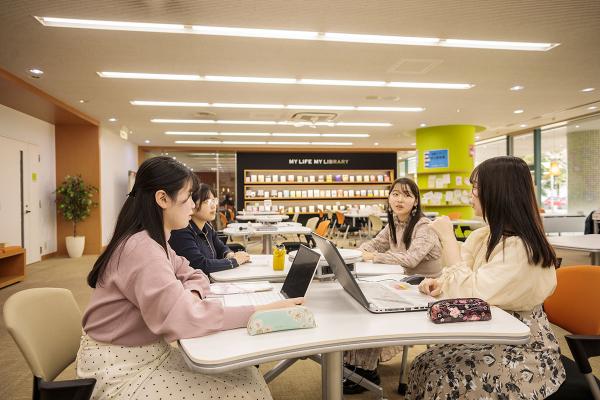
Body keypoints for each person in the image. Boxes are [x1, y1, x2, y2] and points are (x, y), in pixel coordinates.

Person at [77, 156, 303, 400]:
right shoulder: (143, 249)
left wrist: (190, 297)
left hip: (147, 352)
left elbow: (194, 274)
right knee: (245, 390)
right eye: (187, 199)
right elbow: (185, 318)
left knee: (246, 375)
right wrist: (259, 310)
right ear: (163, 199)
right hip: (122, 369)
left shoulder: (155, 241)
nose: (193, 207)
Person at [407, 156, 565, 400]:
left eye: (476, 188)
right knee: (423, 363)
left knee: (443, 376)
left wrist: (448, 239)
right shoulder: (484, 236)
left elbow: (471, 294)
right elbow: (462, 278)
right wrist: (440, 284)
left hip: (523, 347)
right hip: (488, 333)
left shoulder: (520, 248)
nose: (471, 194)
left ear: (498, 193)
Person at [343, 177, 442, 395]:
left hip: (429, 290)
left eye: (407, 195)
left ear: (415, 202)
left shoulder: (423, 226)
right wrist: (360, 251)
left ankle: (365, 370)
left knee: (372, 309)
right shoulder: (395, 223)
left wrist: (374, 257)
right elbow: (373, 244)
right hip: (406, 285)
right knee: (362, 299)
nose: (399, 199)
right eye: (395, 194)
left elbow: (410, 260)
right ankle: (357, 365)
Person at [169, 182, 250, 274]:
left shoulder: (207, 226)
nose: (213, 206)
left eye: (214, 201)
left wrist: (230, 255)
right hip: (197, 286)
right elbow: (200, 265)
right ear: (192, 205)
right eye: (206, 202)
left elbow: (221, 248)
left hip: (213, 280)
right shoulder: (181, 231)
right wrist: (235, 261)